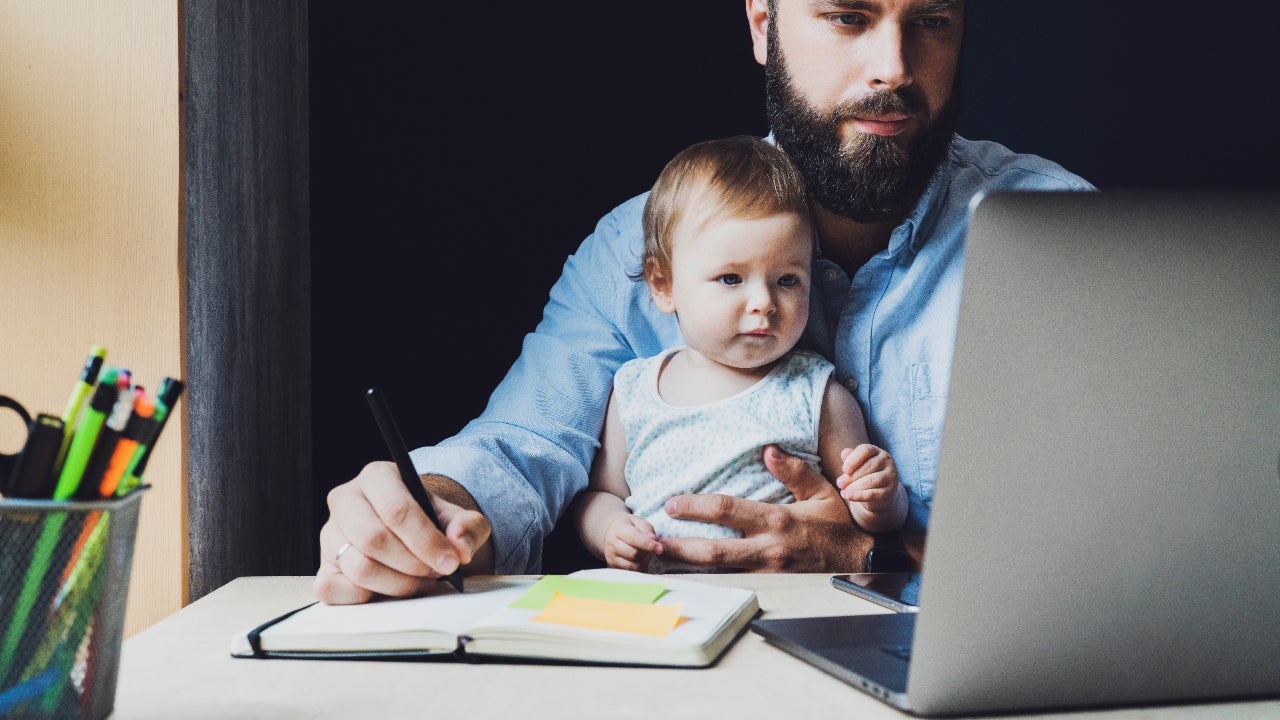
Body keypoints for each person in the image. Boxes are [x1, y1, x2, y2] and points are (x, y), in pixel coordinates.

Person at [315, 0, 1094, 604]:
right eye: (848, 17)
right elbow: (520, 449)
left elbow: (1122, 545)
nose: (892, 66)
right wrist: (428, 511)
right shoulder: (641, 244)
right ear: (763, 23)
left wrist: (871, 556)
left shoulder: (1067, 238)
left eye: (931, 20)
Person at [573, 136, 904, 573]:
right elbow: (602, 495)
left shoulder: (816, 392)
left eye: (787, 280)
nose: (763, 302)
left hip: (782, 604)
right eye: (731, 278)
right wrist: (609, 530)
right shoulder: (636, 390)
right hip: (662, 606)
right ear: (663, 285)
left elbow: (867, 520)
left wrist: (880, 495)